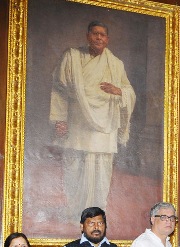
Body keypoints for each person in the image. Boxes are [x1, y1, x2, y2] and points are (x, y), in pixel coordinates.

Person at [50, 21, 136, 216]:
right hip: (78, 123)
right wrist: (60, 119)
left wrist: (119, 91)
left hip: (105, 126)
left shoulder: (116, 64)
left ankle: (97, 213)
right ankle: (75, 212)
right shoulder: (72, 57)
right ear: (88, 36)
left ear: (107, 39)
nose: (98, 37)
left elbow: (129, 91)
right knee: (75, 167)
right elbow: (59, 89)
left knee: (101, 170)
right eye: (95, 33)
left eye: (102, 34)